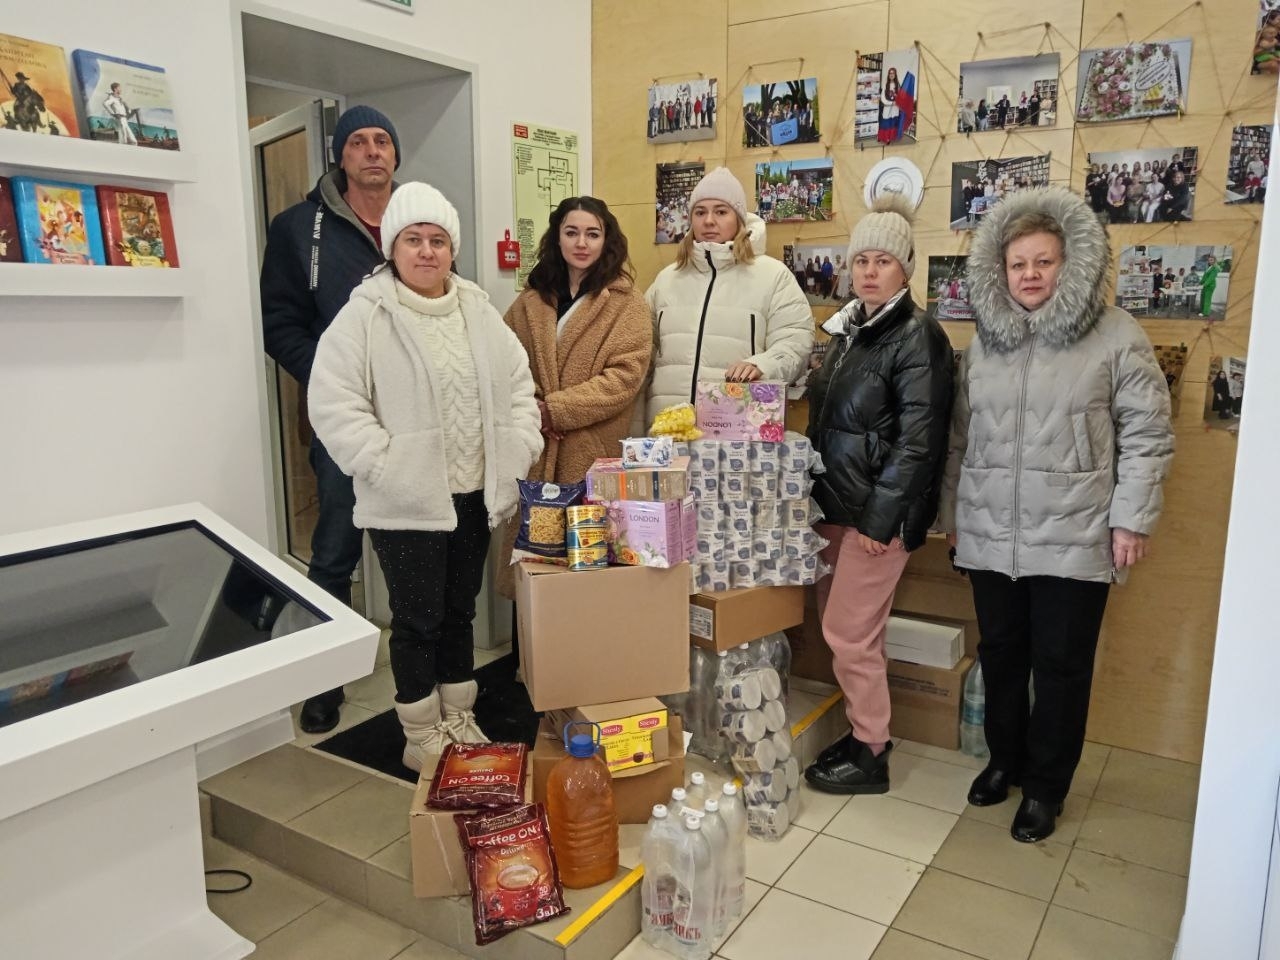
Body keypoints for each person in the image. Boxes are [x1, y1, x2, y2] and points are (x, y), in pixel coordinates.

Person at [940, 187, 1174, 842]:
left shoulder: (1116, 335)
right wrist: (952, 514)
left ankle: (1045, 788)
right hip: (990, 533)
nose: (1031, 275)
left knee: (1062, 668)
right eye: (1019, 264)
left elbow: (1148, 433)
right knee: (1001, 656)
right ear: (1000, 270)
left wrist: (1131, 519)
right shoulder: (986, 343)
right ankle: (1004, 762)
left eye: (1044, 262)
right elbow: (960, 437)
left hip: (1076, 535)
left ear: (1070, 264)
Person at [307, 183, 543, 772]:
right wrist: (385, 465)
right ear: (393, 247)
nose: (427, 251)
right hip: (405, 500)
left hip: (474, 495)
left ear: (451, 249)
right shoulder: (366, 314)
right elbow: (333, 402)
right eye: (413, 239)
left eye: (438, 240)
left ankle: (457, 718)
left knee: (459, 613)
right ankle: (419, 735)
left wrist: (518, 449)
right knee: (417, 621)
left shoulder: (477, 310)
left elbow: (520, 387)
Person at [803, 195, 954, 794]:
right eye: (861, 260)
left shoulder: (918, 336)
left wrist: (879, 520)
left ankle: (871, 753)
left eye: (883, 261)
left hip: (876, 519)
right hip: (836, 509)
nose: (869, 271)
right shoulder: (850, 331)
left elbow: (920, 441)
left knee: (847, 635)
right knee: (849, 632)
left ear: (906, 268)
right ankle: (865, 733)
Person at [260, 104, 402, 733]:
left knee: (417, 545)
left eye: (382, 141)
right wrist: (332, 377)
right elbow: (280, 324)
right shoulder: (299, 229)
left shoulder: (417, 218)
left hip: (414, 419)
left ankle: (420, 671)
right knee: (336, 549)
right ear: (340, 155)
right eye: (359, 142)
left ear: (394, 155)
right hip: (341, 419)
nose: (372, 151)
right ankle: (324, 682)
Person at [498, 197, 651, 602]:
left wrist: (557, 410)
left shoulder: (627, 303)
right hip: (535, 449)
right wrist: (534, 411)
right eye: (571, 232)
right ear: (557, 238)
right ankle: (527, 642)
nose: (581, 243)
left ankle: (579, 640)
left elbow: (624, 377)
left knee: (586, 572)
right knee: (531, 567)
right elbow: (504, 365)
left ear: (607, 240)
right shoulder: (530, 301)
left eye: (592, 234)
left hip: (589, 451)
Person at [645, 167, 813, 421]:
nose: (709, 220)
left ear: (739, 219)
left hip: (738, 428)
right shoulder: (667, 279)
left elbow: (795, 342)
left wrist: (763, 365)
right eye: (700, 212)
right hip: (667, 430)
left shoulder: (773, 276)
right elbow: (640, 349)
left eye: (721, 212)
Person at [879, 68, 901, 143]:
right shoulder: (885, 84)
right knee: (886, 122)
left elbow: (900, 96)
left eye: (893, 73)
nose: (891, 75)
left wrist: (897, 100)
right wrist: (890, 103)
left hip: (895, 108)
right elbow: (882, 98)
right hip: (887, 107)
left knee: (893, 122)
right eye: (890, 73)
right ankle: (885, 138)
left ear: (895, 75)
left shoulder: (898, 85)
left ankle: (891, 137)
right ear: (888, 75)